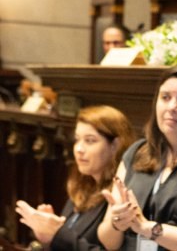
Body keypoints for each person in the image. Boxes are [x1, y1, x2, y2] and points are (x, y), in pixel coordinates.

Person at [97, 64, 177, 251]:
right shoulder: (136, 152)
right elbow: (108, 241)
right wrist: (116, 224)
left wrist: (146, 228)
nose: (172, 107)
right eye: (165, 97)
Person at [15, 105, 136, 250]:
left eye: (90, 141)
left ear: (115, 145)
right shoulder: (82, 186)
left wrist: (57, 233)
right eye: (77, 139)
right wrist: (47, 236)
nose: (78, 149)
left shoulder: (122, 197)